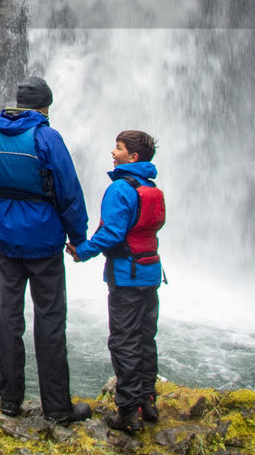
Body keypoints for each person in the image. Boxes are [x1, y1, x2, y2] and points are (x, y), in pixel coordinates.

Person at [0, 76, 91, 423]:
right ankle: (56, 408)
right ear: (45, 106)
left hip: (5, 239)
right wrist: (78, 238)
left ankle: (9, 402)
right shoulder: (47, 137)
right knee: (50, 319)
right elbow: (68, 191)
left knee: (9, 316)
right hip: (44, 240)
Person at [67, 129, 165, 433]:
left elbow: (111, 233)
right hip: (150, 273)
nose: (113, 152)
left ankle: (127, 411)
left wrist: (81, 251)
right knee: (145, 339)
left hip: (127, 276)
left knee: (123, 342)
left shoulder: (121, 189)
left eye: (118, 148)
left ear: (132, 157)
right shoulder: (150, 187)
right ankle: (148, 401)